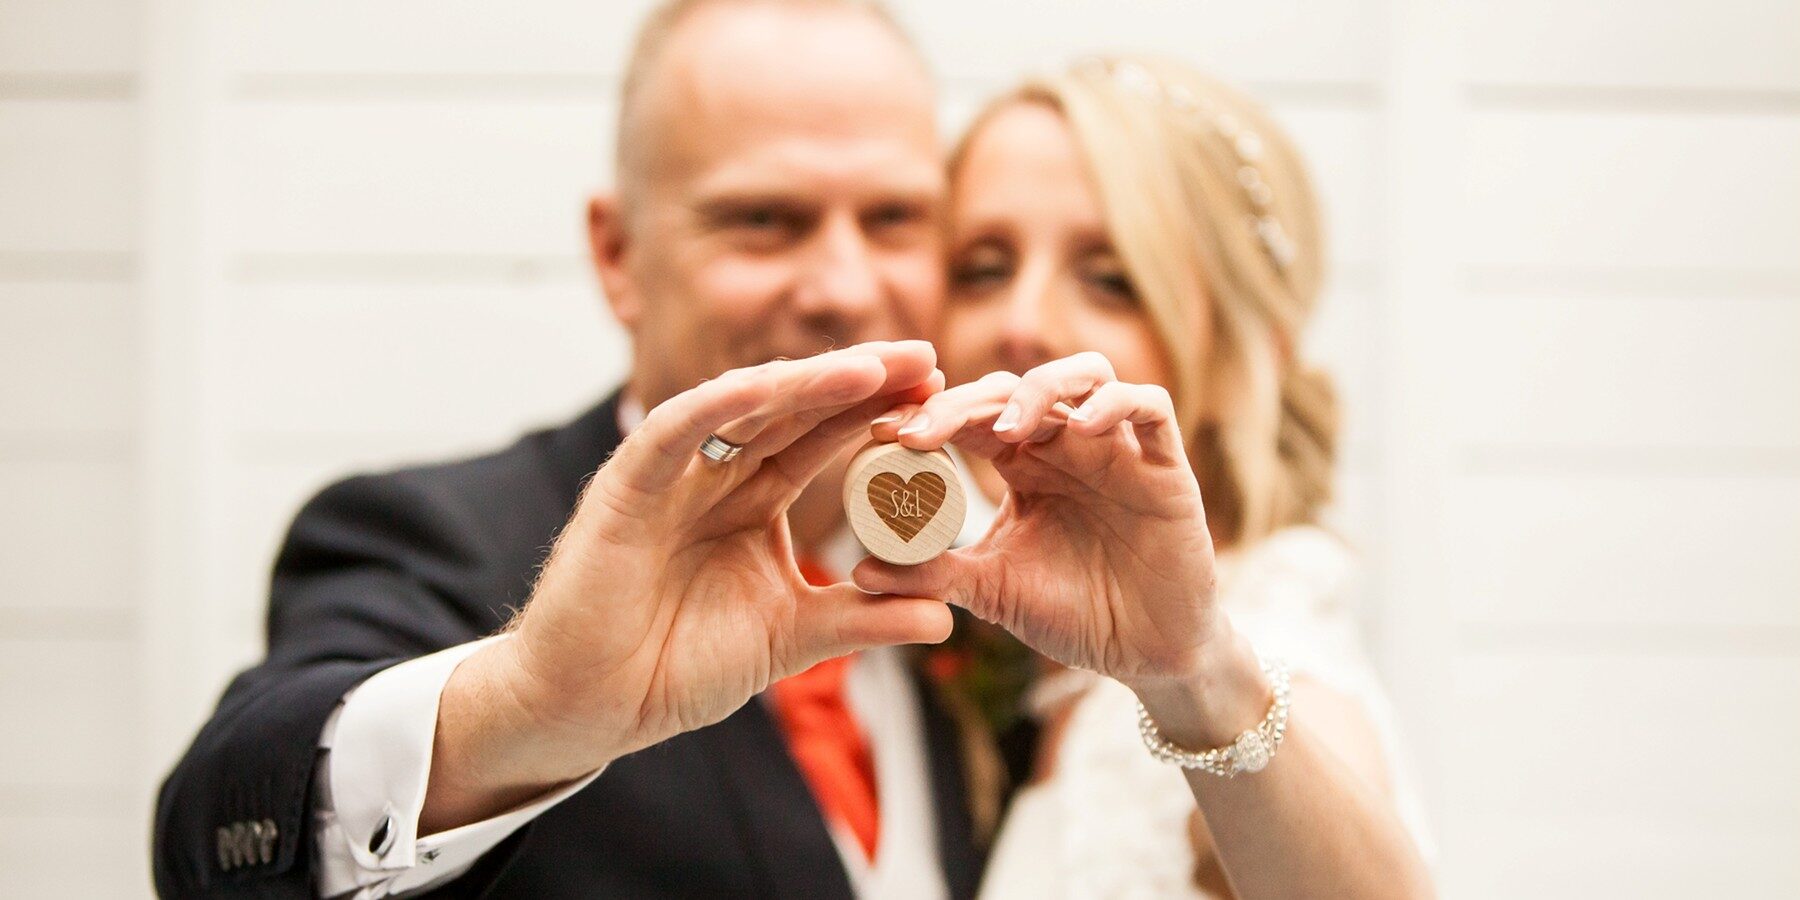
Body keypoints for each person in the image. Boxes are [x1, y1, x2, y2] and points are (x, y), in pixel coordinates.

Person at [153, 2, 994, 897]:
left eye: (895, 217)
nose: (843, 288)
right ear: (618, 253)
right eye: (763, 219)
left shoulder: (985, 595)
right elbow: (219, 828)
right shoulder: (438, 537)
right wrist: (521, 710)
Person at [854, 57, 1435, 897]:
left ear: (1244, 356)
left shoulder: (1268, 665)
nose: (1021, 323)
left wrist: (1195, 675)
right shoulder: (1042, 666)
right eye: (984, 266)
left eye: (1111, 279)